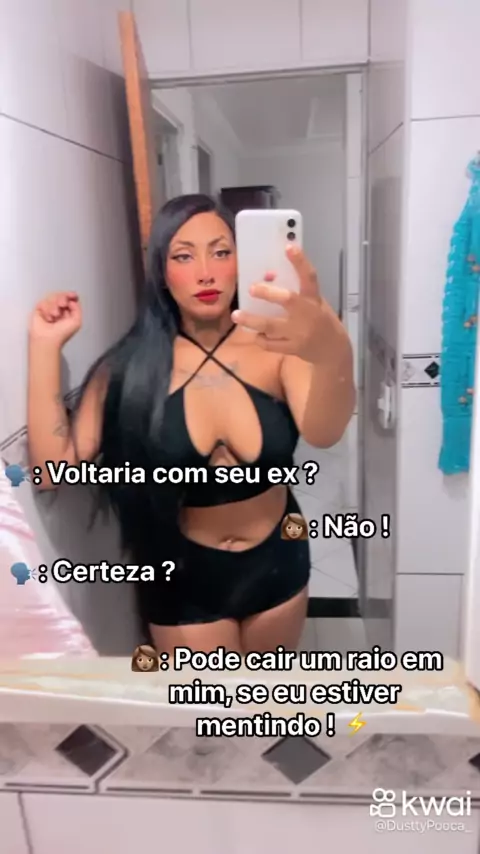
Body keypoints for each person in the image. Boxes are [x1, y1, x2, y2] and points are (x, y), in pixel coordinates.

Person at [27, 194, 355, 655]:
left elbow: (325, 431)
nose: (206, 272)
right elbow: (51, 472)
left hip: (278, 558)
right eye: (183, 256)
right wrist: (44, 347)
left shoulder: (277, 349)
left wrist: (332, 349)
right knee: (205, 702)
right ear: (162, 271)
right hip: (181, 575)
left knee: (266, 697)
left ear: (241, 260)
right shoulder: (131, 367)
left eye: (221, 252)